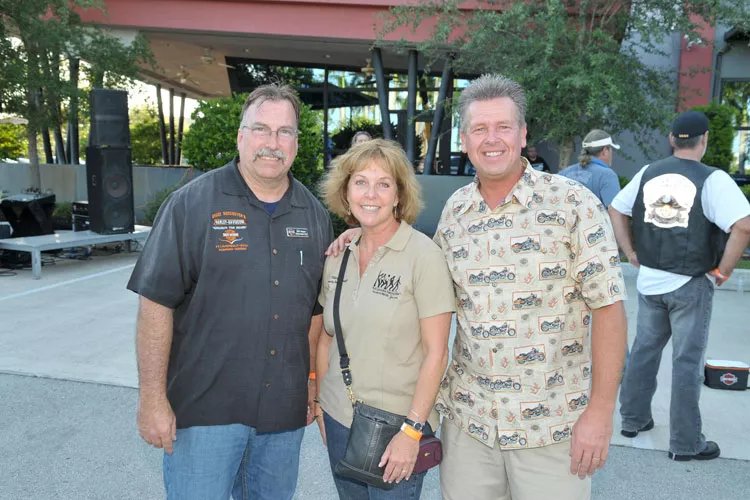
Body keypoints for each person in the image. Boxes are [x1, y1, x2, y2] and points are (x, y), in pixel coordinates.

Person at [328, 75, 628, 500]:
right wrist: (358, 235)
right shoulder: (456, 211)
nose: (492, 140)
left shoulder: (573, 204)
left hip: (551, 428)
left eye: (503, 127)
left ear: (523, 135)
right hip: (470, 427)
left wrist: (600, 411)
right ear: (464, 140)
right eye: (479, 129)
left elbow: (609, 310)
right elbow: (415, 266)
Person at [127, 83, 333, 500]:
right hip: (204, 414)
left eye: (285, 132)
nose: (272, 143)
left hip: (282, 416)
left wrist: (311, 382)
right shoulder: (191, 205)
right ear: (240, 137)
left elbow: (314, 313)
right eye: (261, 130)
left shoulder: (315, 215)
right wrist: (151, 398)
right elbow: (155, 305)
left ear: (296, 142)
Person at [315, 139, 455, 499]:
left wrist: (411, 431)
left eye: (383, 184)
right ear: (346, 193)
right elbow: (327, 336)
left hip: (395, 429)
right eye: (360, 182)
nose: (370, 194)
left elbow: (437, 354)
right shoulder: (337, 255)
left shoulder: (424, 256)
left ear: (398, 195)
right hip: (338, 418)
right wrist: (319, 404)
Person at [609, 110, 750, 462]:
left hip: (650, 280)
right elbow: (744, 226)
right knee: (686, 362)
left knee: (643, 351)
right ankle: (686, 444)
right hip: (691, 283)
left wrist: (630, 252)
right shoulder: (713, 179)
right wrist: (723, 272)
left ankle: (632, 420)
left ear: (673, 139)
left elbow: (616, 208)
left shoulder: (648, 172)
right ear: (704, 140)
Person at [559, 130, 621, 207]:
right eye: (611, 149)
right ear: (605, 151)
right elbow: (615, 210)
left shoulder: (564, 173)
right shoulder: (607, 175)